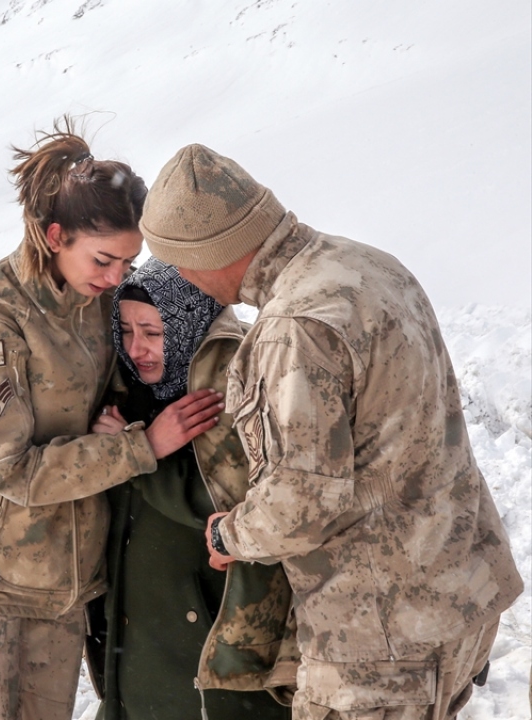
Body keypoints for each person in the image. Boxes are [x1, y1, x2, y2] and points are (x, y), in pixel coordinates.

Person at [138, 143, 523, 720]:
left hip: (378, 637)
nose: (181, 278)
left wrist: (228, 535)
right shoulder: (368, 264)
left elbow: (301, 503)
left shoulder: (293, 329)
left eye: (178, 262)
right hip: (461, 590)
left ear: (212, 251)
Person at [0, 121, 226, 720]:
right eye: (104, 259)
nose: (116, 277)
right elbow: (11, 470)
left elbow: (134, 378)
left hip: (66, 588)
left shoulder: (99, 301)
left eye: (128, 261)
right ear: (55, 235)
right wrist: (142, 447)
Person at [84, 258, 295, 720]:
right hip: (137, 630)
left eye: (152, 332)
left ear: (188, 324)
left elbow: (232, 503)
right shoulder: (126, 392)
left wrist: (138, 456)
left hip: (211, 630)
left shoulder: (232, 383)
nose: (136, 347)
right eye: (126, 330)